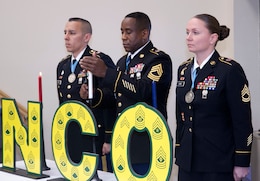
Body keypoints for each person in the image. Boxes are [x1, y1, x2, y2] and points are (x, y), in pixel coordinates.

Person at [79, 12, 172, 175]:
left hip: (145, 142)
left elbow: (144, 91)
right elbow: (116, 98)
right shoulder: (123, 62)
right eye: (121, 31)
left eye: (128, 32)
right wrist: (94, 94)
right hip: (123, 140)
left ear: (144, 33)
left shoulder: (158, 60)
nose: (123, 37)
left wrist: (106, 73)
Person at [175, 14, 253, 181]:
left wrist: (242, 161)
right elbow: (181, 116)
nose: (188, 37)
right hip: (188, 161)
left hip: (218, 161)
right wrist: (179, 150)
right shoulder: (184, 70)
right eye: (187, 32)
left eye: (195, 32)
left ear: (213, 38)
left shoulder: (229, 70)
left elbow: (242, 121)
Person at [56, 17, 116, 176]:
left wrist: (108, 138)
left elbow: (112, 99)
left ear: (86, 37)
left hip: (94, 135)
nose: (66, 37)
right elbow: (63, 103)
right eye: (65, 32)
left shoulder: (98, 60)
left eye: (72, 33)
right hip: (72, 134)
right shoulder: (63, 66)